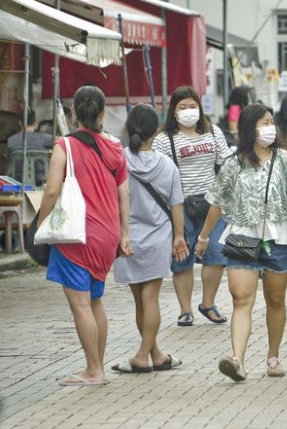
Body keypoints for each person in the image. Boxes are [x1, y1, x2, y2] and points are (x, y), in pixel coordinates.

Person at [196, 104, 287, 382]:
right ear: (249, 129)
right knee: (241, 299)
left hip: (279, 237)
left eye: (271, 122)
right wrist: (203, 236)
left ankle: (273, 356)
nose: (270, 127)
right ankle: (237, 360)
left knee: (276, 300)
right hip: (242, 236)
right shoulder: (234, 164)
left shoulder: (283, 159)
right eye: (263, 123)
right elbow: (217, 202)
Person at [39, 86, 130, 386]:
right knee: (94, 302)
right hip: (107, 235)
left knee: (80, 304)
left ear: (74, 112)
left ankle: (93, 370)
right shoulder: (116, 147)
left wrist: (40, 225)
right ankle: (98, 366)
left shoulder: (64, 145)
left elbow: (52, 189)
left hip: (77, 235)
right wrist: (124, 234)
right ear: (102, 113)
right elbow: (123, 194)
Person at [111, 105, 188, 373]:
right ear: (155, 132)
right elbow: (176, 204)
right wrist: (179, 236)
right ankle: (149, 355)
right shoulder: (166, 164)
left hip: (127, 239)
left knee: (140, 301)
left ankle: (149, 354)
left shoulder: (118, 160)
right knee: (151, 298)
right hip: (158, 237)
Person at [152, 86, 230, 326]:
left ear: (200, 107)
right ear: (173, 111)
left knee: (216, 253)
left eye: (192, 106)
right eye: (182, 107)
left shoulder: (213, 131)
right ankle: (185, 310)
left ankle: (208, 303)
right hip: (179, 205)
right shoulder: (164, 139)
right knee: (182, 257)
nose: (188, 111)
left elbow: (225, 161)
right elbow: (159, 174)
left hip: (212, 203)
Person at [7, 108, 53, 185]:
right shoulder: (44, 138)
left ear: (19, 123)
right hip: (40, 181)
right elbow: (61, 140)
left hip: (17, 181)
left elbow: (9, 160)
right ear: (35, 122)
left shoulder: (11, 140)